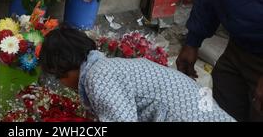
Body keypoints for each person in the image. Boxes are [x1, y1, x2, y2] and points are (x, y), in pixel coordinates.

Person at [39, 27, 234, 122]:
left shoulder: (97, 77)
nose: (63, 84)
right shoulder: (106, 67)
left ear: (65, 65)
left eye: (59, 77)